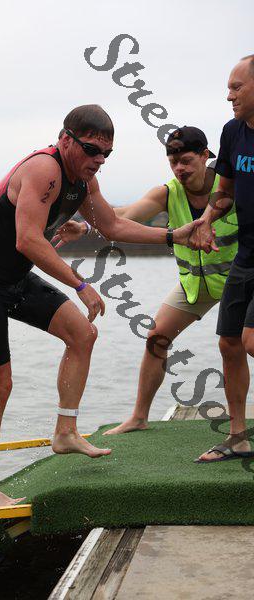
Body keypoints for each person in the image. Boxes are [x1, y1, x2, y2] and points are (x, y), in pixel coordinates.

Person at [0, 104, 201, 507]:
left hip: (15, 278)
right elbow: (28, 240)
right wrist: (80, 284)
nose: (98, 160)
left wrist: (173, 236)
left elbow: (112, 225)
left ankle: (65, 432)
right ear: (66, 140)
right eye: (90, 150)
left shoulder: (85, 182)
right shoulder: (43, 170)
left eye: (106, 154)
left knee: (83, 334)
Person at [53, 126, 238, 435]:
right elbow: (124, 215)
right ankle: (139, 417)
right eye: (173, 162)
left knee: (240, 344)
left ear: (205, 156)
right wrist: (85, 228)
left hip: (239, 280)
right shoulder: (168, 192)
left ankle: (237, 427)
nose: (179, 169)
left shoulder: (229, 185)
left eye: (187, 161)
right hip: (196, 284)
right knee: (156, 338)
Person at [191, 55, 254, 462]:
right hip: (247, 253)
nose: (229, 95)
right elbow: (225, 191)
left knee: (251, 340)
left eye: (236, 87)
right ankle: (238, 437)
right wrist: (207, 219)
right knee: (229, 342)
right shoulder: (233, 132)